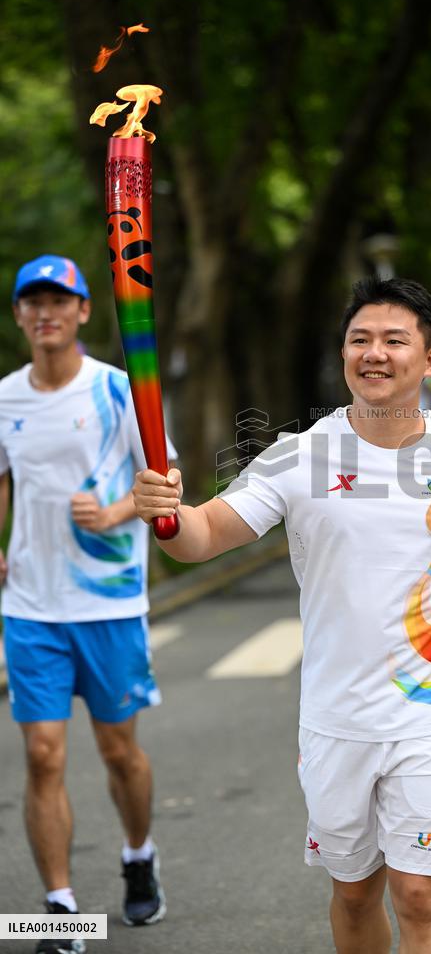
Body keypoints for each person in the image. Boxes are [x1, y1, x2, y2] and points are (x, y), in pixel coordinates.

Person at [133, 276, 431, 954]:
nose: (374, 353)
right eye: (360, 339)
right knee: (355, 894)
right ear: (344, 353)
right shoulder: (299, 457)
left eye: (394, 340)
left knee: (418, 894)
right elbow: (203, 537)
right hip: (337, 720)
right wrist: (167, 514)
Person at [0, 255, 176, 953]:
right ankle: (60, 911)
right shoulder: (5, 398)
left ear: (81, 313)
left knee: (118, 751)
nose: (45, 313)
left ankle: (139, 854)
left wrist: (115, 513)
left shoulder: (119, 391)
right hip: (30, 606)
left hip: (107, 605)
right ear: (19, 316)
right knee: (43, 755)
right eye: (31, 302)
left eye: (58, 301)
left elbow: (166, 479)